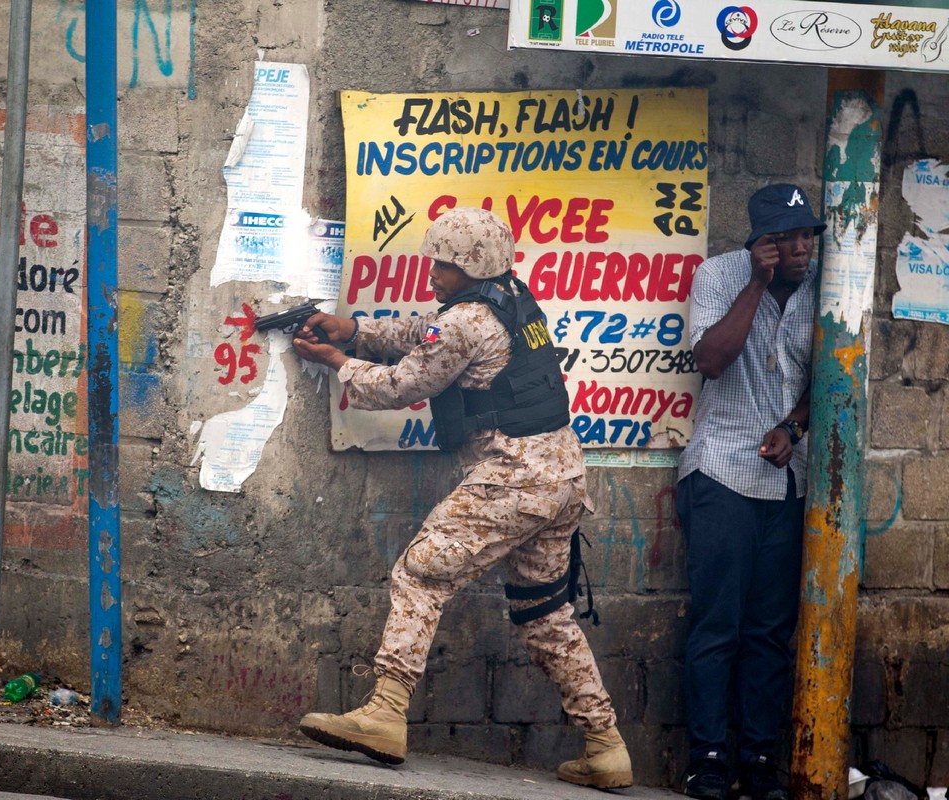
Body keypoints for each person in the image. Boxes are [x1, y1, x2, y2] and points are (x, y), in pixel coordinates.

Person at [289, 207, 632, 789]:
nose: (432, 274)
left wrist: (340, 363)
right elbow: (425, 334)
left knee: (421, 574)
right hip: (562, 479)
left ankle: (385, 713)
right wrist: (353, 329)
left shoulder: (467, 321)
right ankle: (606, 746)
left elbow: (403, 383)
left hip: (512, 478)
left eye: (443, 266)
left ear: (471, 267)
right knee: (545, 614)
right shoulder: (511, 298)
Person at [676, 184, 825, 800]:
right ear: (759, 243)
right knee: (718, 626)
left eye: (806, 236)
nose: (799, 249)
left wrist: (793, 428)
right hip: (722, 474)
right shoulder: (719, 276)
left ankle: (760, 760)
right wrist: (757, 285)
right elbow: (711, 359)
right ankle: (708, 759)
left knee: (769, 631)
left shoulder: (825, 288)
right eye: (785, 238)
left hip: (787, 483)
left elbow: (836, 375)